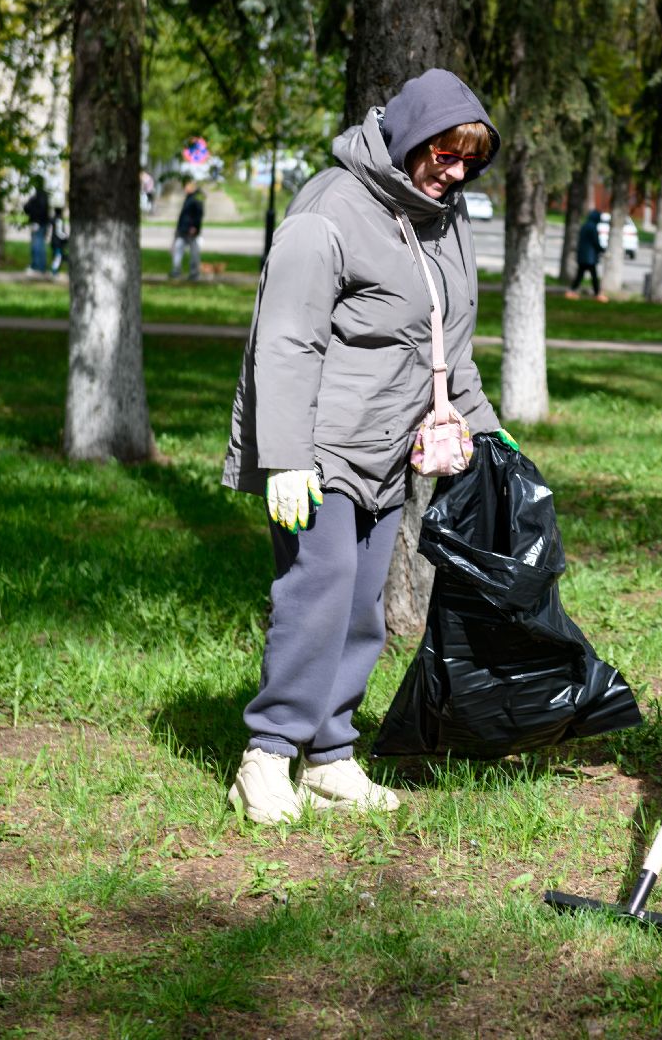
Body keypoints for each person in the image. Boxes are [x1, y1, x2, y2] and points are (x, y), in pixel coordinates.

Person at [221, 68, 517, 825]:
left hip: (390, 448)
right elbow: (284, 340)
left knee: (362, 607)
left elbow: (449, 344)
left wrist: (484, 425)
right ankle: (267, 755)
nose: (453, 174)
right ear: (409, 138)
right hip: (319, 446)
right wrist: (283, 455)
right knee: (315, 597)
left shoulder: (445, 219)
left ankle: (329, 755)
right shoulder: (330, 210)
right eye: (442, 155)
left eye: (467, 162)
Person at [565, 209, 606, 302]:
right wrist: (602, 250)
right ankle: (597, 294)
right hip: (589, 257)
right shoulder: (592, 227)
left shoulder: (585, 225)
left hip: (583, 255)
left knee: (580, 275)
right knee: (593, 276)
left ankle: (572, 291)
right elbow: (595, 242)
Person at [171, 180, 204, 280]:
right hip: (183, 229)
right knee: (178, 248)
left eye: (187, 186)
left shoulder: (197, 198)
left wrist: (195, 227)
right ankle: (176, 270)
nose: (185, 188)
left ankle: (194, 273)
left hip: (190, 230)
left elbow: (198, 214)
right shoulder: (189, 198)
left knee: (194, 251)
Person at [22, 180, 50, 275]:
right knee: (37, 245)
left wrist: (37, 221)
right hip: (39, 223)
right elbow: (27, 208)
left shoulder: (40, 196)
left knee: (37, 245)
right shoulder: (39, 196)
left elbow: (40, 210)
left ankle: (38, 267)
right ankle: (38, 266)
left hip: (39, 224)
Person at [48, 206, 69, 275]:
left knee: (58, 256)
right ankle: (54, 271)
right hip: (58, 242)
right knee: (58, 256)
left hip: (54, 241)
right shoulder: (59, 220)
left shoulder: (53, 219)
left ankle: (55, 270)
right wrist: (66, 237)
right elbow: (59, 232)